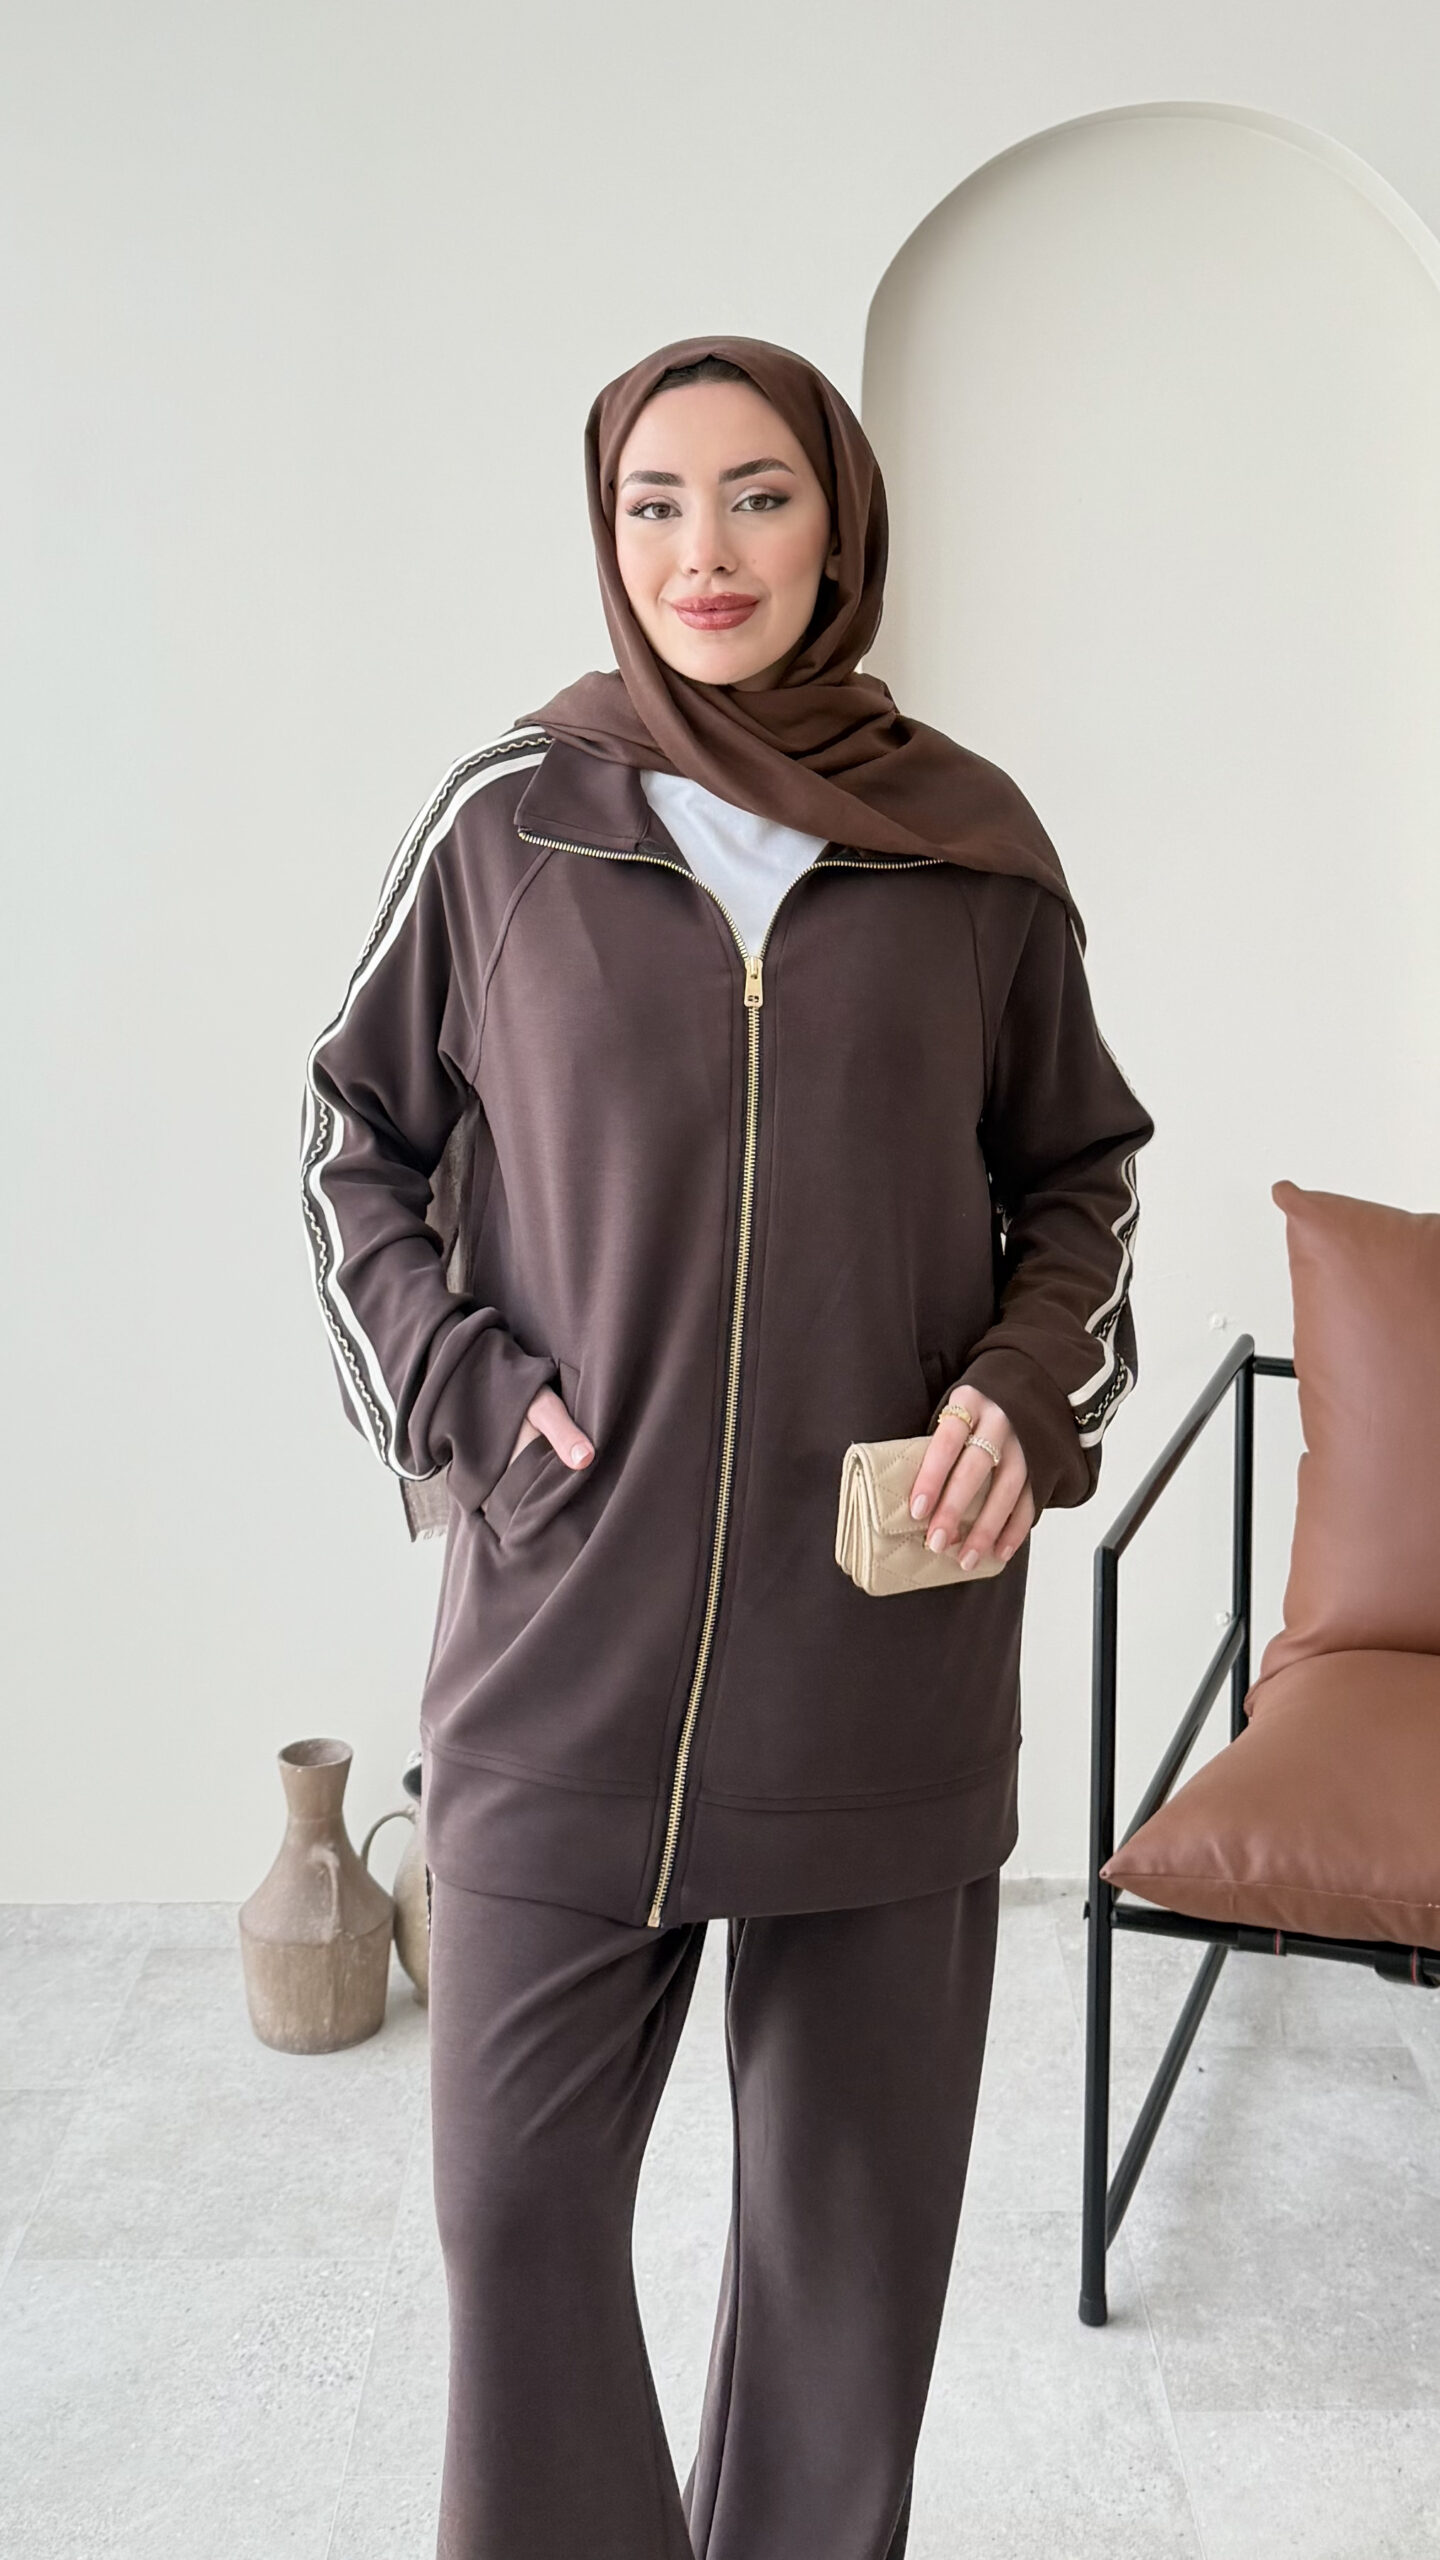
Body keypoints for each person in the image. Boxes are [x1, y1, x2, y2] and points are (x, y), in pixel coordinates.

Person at [300, 333, 1156, 2559]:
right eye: (655, 501)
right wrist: (469, 1392)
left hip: (880, 1650)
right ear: (606, 531)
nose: (707, 549)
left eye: (760, 493)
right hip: (565, 1645)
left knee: (841, 2289)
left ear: (838, 522)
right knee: (516, 2221)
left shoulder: (970, 847)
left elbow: (1083, 1178)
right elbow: (353, 1136)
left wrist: (1021, 1388)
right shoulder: (512, 824)